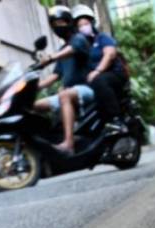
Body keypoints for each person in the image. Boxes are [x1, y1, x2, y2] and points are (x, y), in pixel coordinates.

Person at [34, 5, 94, 152]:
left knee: (64, 95)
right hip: (69, 92)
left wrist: (50, 57)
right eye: (54, 25)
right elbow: (55, 76)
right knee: (33, 105)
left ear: (69, 22)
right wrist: (34, 86)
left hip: (87, 89)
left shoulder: (80, 39)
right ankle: (45, 144)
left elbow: (71, 50)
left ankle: (69, 144)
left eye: (61, 23)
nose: (58, 27)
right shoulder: (62, 50)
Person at [71, 4, 129, 133]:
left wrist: (97, 71)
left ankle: (116, 119)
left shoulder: (102, 38)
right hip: (96, 79)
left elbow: (110, 54)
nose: (83, 27)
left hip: (115, 74)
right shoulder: (82, 46)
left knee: (99, 80)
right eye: (80, 26)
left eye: (85, 23)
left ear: (91, 23)